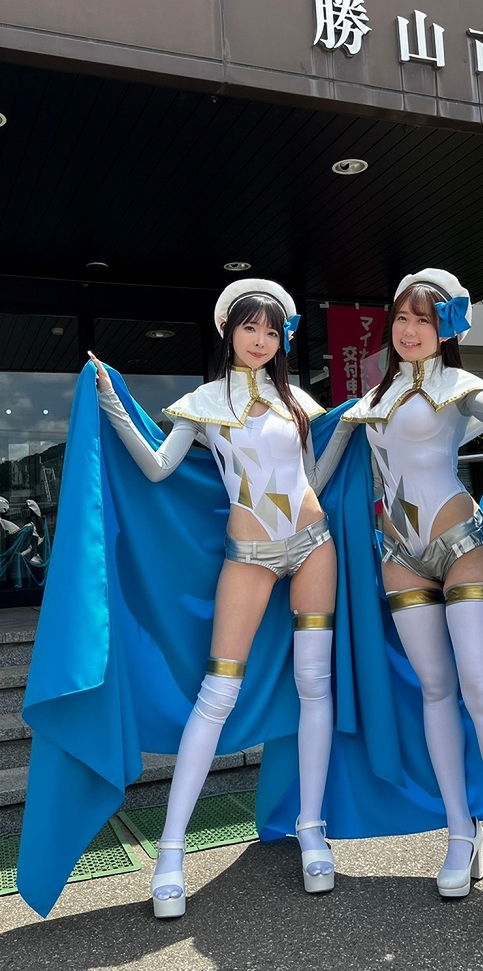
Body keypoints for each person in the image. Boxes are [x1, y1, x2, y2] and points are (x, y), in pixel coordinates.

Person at [89, 279, 349, 918]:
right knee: (217, 694)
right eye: (249, 327)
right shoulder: (202, 403)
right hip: (249, 555)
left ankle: (311, 829)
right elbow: (158, 468)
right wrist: (113, 399)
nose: (260, 340)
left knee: (315, 685)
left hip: (315, 545)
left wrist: (349, 425)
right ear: (228, 331)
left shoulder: (298, 401)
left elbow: (313, 477)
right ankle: (171, 852)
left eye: (271, 330)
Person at [339, 268, 483, 942]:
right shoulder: (370, 399)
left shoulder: (458, 384)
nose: (409, 329)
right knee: (435, 690)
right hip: (396, 555)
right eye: (401, 317)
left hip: (461, 544)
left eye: (424, 319)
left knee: (481, 692)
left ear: (445, 328)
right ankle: (460, 833)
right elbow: (312, 469)